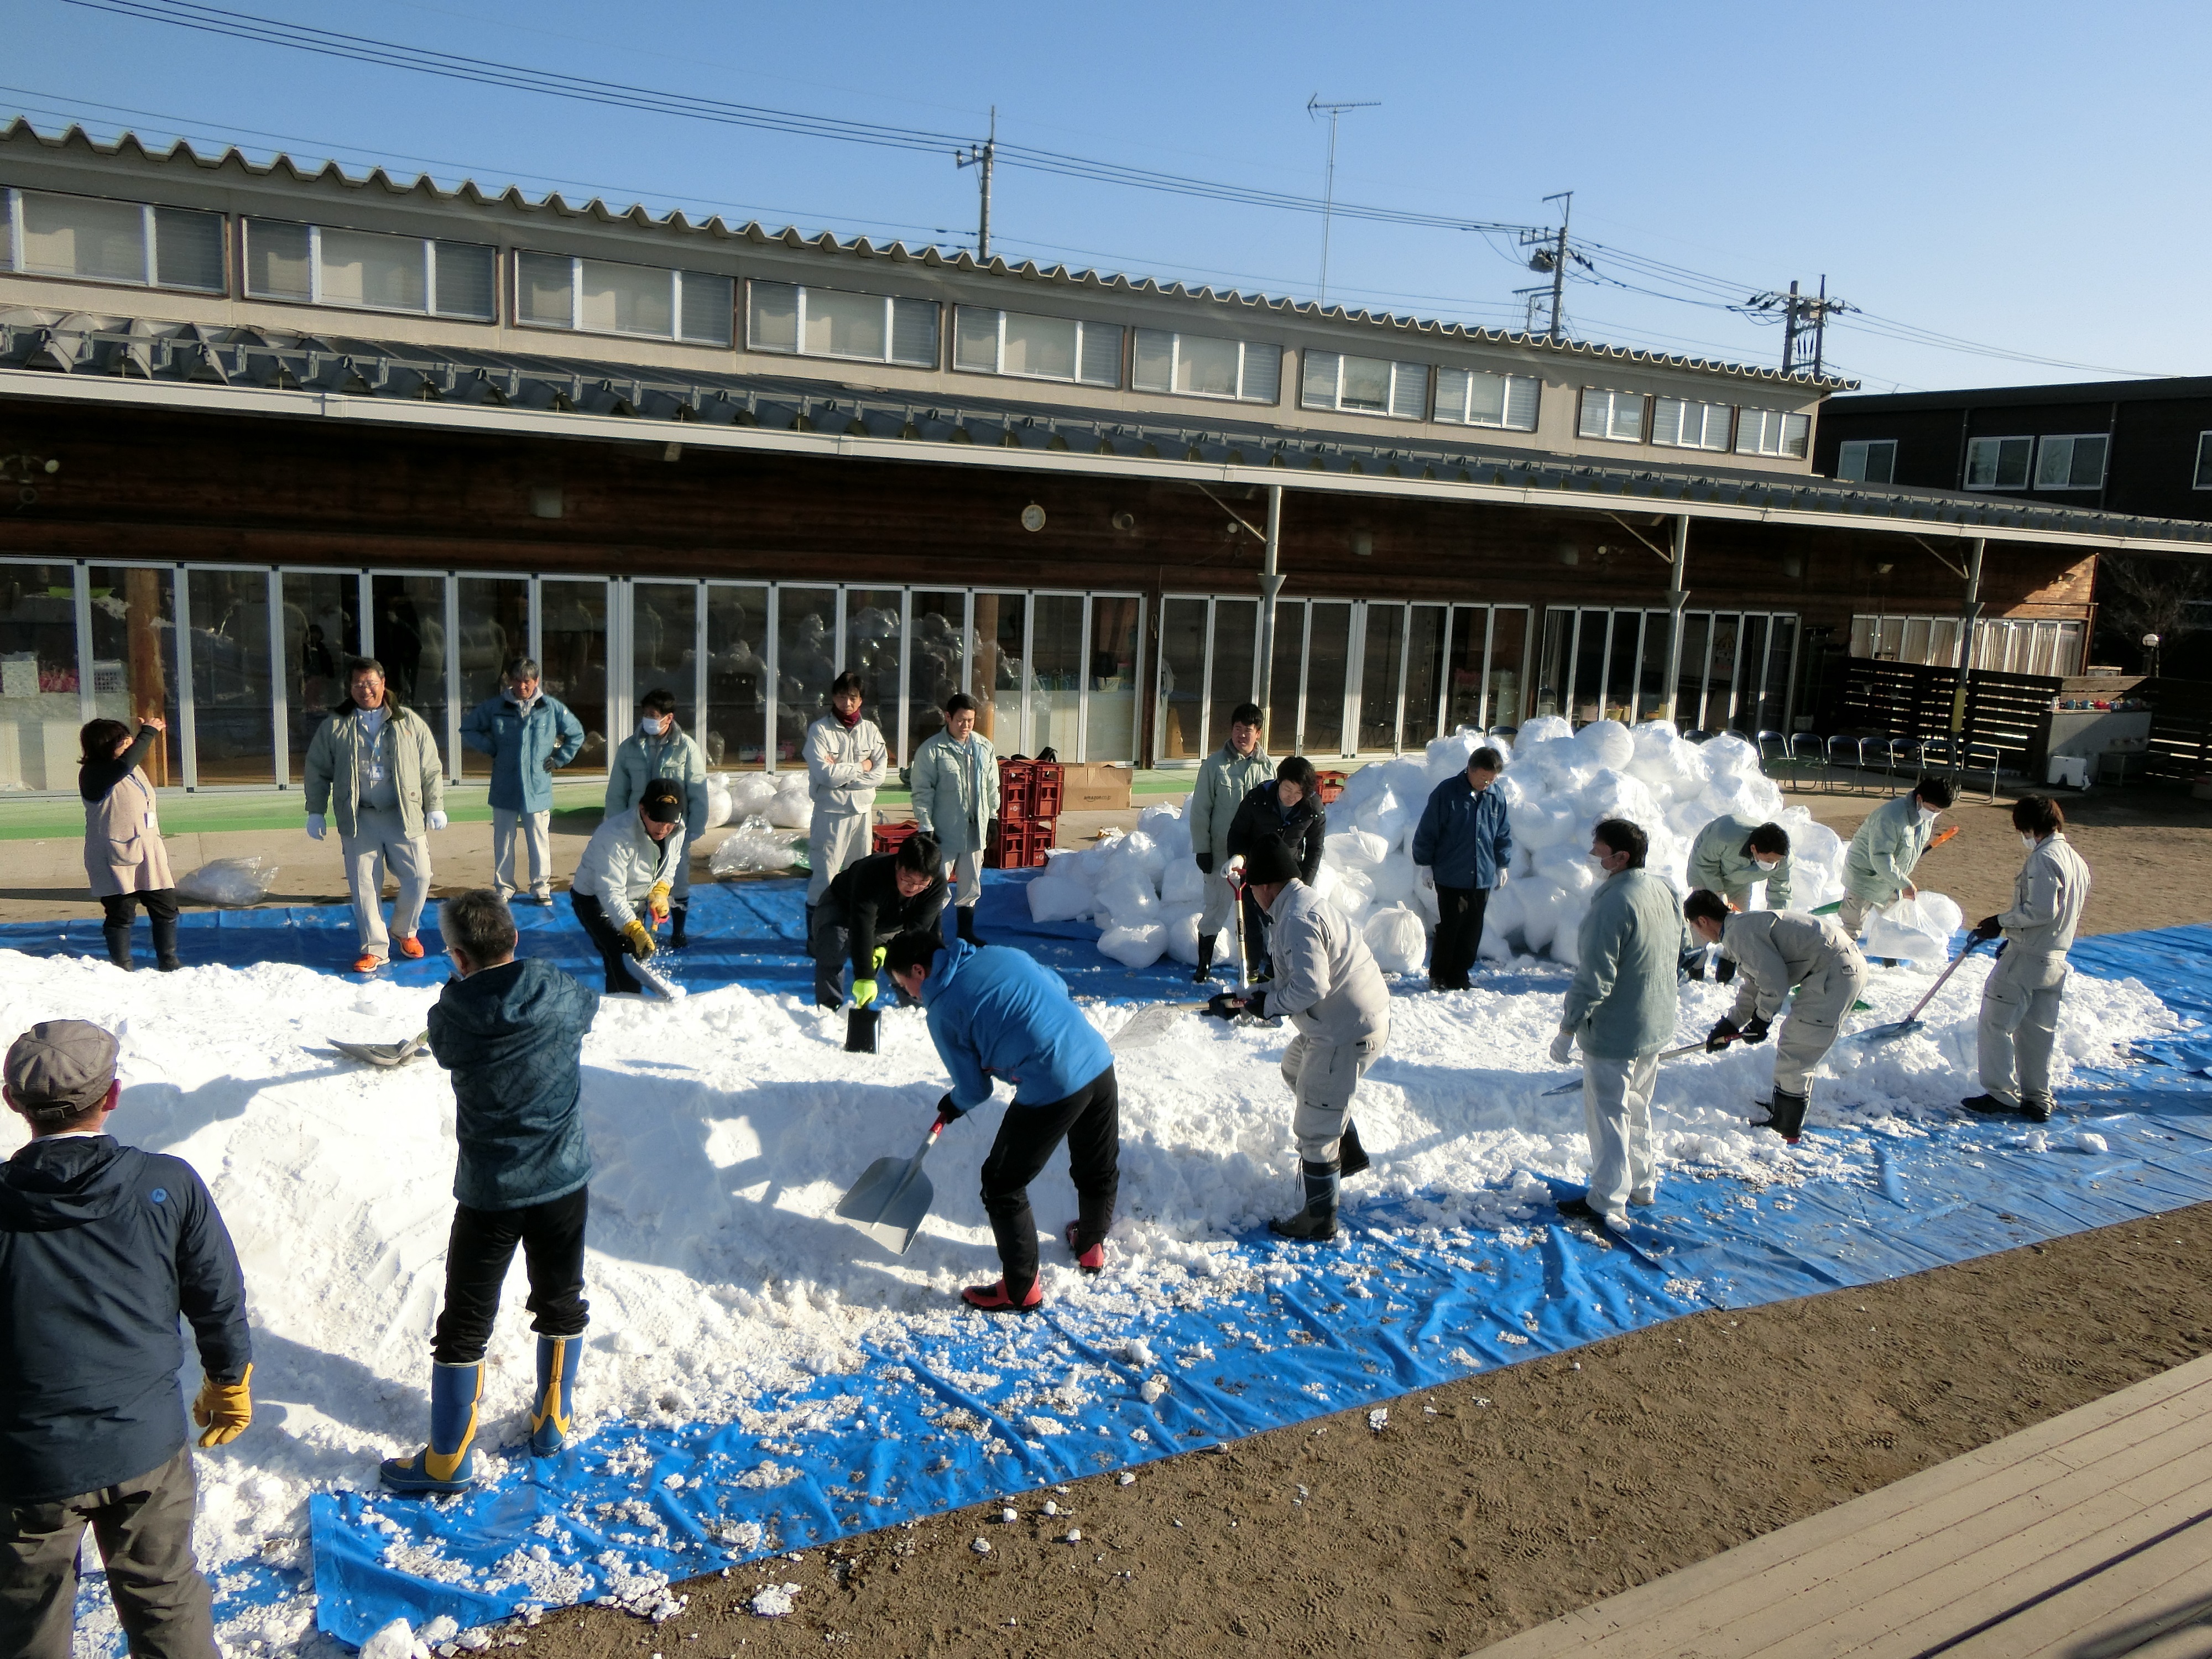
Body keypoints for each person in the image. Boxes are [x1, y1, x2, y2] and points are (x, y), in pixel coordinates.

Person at [1, 1019, 252, 1659]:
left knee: (27, 1623)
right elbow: (216, 1297)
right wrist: (229, 1380)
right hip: (146, 1446)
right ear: (112, 1096)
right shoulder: (166, 1184)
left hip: (29, 1465)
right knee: (166, 1601)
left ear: (12, 1103)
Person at [382, 890, 599, 1493]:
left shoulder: (450, 1016)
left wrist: (461, 991)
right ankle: (552, 1421)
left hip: (490, 1193)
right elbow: (587, 1011)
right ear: (515, 938)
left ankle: (448, 1458)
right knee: (561, 1298)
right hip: (562, 1182)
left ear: (456, 956)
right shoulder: (557, 989)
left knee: (465, 1319)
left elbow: (447, 1048)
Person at [885, 927, 1117, 1312]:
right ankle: (1091, 1245)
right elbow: (1057, 986)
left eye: (903, 984)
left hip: (1053, 1082)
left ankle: (1021, 1287)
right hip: (1096, 1057)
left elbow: (975, 1089)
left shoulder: (942, 1010)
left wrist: (954, 1103)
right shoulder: (999, 953)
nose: (908, 994)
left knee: (1001, 1183)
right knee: (1096, 1161)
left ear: (918, 971)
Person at [1213, 839, 1391, 1243]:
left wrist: (1269, 1005)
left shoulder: (1297, 918)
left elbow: (1311, 986)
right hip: (1345, 1021)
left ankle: (1319, 1218)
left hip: (1345, 1031)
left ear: (1266, 887)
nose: (1254, 897)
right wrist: (1250, 999)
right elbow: (1297, 977)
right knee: (1295, 1069)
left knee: (1314, 1124)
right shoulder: (1299, 904)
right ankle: (1346, 1149)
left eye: (1254, 889)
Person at [1551, 819, 1681, 1232]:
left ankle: (1607, 1199)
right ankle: (1643, 1183)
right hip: (1654, 1021)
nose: (1593, 859)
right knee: (1638, 1109)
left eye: (1598, 851)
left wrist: (1568, 1028)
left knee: (1608, 1115)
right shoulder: (1664, 889)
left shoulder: (1611, 905)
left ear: (1620, 858)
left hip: (1616, 1030)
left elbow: (1594, 978)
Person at [1686, 888, 1866, 1144]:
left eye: (1695, 926)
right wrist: (1732, 1022)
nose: (1698, 933)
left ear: (1703, 920)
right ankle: (1784, 1113)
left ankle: (1787, 1129)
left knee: (1799, 1045)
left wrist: (1762, 1019)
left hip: (1835, 971)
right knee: (1795, 1043)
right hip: (1837, 967)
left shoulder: (1740, 933)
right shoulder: (1739, 929)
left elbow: (1774, 980)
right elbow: (1755, 983)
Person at [305, 656, 449, 973]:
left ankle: (404, 930)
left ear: (384, 684)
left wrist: (435, 805)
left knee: (420, 875)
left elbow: (430, 767)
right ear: (350, 688)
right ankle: (375, 948)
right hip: (360, 818)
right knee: (365, 884)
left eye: (371, 683)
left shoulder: (409, 722)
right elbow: (317, 770)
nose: (365, 690)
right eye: (358, 684)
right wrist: (316, 811)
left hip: (403, 813)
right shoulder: (336, 725)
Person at [1962, 794, 2093, 1124]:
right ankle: (2037, 1098)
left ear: (2031, 827)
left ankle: (2001, 1094)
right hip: (2056, 958)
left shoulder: (2043, 859)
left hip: (2027, 957)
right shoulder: (2077, 860)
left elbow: (2041, 910)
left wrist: (2001, 922)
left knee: (1996, 1023)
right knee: (2038, 1032)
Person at [460, 656, 584, 907]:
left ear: (536, 681)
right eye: (517, 681)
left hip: (537, 786)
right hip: (505, 785)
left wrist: (559, 759)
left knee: (539, 839)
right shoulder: (496, 707)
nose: (522, 687)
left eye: (527, 681)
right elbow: (469, 728)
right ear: (510, 681)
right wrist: (492, 748)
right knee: (503, 840)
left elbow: (576, 734)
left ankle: (541, 888)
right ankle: (504, 888)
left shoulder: (551, 708)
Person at [77, 715, 182, 973]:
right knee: (121, 914)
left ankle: (169, 962)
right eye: (122, 741)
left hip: (148, 850)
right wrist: (148, 733)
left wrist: (142, 735)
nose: (129, 745)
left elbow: (128, 761)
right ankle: (122, 968)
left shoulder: (129, 766)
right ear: (105, 745)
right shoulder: (94, 773)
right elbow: (122, 766)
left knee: (166, 908)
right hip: (114, 853)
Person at [607, 688, 709, 947]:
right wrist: (614, 825)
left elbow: (697, 789)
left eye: (654, 715)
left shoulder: (686, 748)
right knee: (636, 879)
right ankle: (635, 929)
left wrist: (695, 827)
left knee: (677, 878)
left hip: (672, 826)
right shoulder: (630, 748)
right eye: (646, 715)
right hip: (637, 823)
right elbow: (617, 792)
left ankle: (678, 931)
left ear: (669, 718)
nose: (648, 720)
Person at [1411, 746, 1513, 992]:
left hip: (1482, 874)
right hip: (1451, 873)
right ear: (1471, 769)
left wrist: (1502, 864)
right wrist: (1425, 864)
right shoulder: (1447, 793)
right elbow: (1428, 830)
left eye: (1493, 779)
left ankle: (1460, 974)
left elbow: (1502, 832)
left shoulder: (1496, 795)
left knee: (1472, 929)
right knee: (1451, 926)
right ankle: (1439, 974)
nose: (1487, 783)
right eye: (1484, 778)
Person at [569, 779, 685, 995]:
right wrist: (632, 927)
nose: (664, 828)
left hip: (635, 900)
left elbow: (671, 864)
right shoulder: (615, 836)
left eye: (669, 822)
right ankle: (626, 1008)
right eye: (657, 819)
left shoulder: (676, 829)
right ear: (642, 810)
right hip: (595, 899)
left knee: (637, 953)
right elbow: (610, 891)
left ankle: (628, 1001)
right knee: (621, 954)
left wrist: (661, 890)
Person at [1186, 701, 1272, 984]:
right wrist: (1203, 849)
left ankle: (1255, 967)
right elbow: (1200, 810)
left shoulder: (1267, 767)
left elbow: (1273, 812)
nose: (1242, 735)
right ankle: (1204, 965)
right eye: (1237, 729)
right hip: (1221, 855)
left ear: (1258, 733)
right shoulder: (1214, 765)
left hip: (1255, 857)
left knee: (1255, 915)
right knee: (1215, 910)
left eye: (1248, 730)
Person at [811, 832, 947, 1010]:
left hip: (892, 919)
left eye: (922, 883)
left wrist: (887, 948)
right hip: (842, 907)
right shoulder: (872, 874)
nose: (913, 888)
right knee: (834, 944)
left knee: (907, 958)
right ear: (898, 865)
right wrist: (864, 977)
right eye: (908, 880)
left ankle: (913, 1008)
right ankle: (829, 1007)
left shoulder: (935, 886)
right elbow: (863, 926)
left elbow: (917, 931)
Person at [909, 692, 1000, 947]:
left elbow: (992, 785)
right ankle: (933, 935)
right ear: (948, 717)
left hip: (975, 829)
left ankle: (965, 932)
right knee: (936, 885)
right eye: (961, 720)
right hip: (944, 832)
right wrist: (926, 825)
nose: (966, 726)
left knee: (971, 883)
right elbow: (922, 791)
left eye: (970, 720)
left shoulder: (983, 747)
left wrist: (993, 816)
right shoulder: (932, 750)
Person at [1226, 755, 1327, 977]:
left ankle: (1276, 972)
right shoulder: (1258, 798)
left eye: (1298, 793)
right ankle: (1251, 970)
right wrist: (1238, 857)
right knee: (1252, 923)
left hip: (1288, 875)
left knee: (1285, 925)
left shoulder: (1312, 808)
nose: (1291, 797)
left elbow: (1315, 848)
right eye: (1288, 789)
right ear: (1279, 782)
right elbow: (1238, 832)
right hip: (1255, 871)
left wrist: (1304, 884)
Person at [804, 671, 890, 928]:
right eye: (842, 697)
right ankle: (816, 935)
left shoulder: (870, 731)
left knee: (860, 875)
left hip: (862, 812)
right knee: (825, 876)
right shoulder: (820, 730)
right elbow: (825, 775)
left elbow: (880, 774)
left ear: (861, 700)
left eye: (853, 698)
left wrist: (844, 772)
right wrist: (862, 766)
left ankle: (853, 931)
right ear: (833, 698)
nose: (847, 703)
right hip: (831, 813)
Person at [1840, 774, 1956, 936]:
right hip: (1865, 878)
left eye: (1939, 812)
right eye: (1932, 809)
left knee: (1895, 929)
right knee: (1851, 930)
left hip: (1892, 881)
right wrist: (1904, 884)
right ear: (1919, 798)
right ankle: (1840, 960)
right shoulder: (1891, 817)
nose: (1934, 814)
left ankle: (1891, 962)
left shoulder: (1924, 816)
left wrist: (1901, 882)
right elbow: (1881, 857)